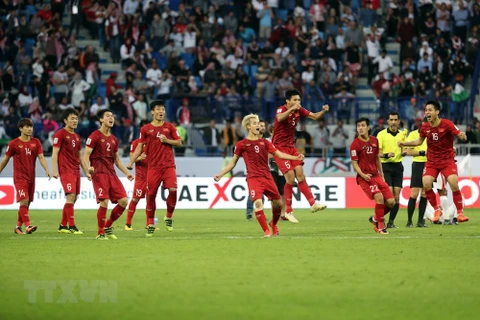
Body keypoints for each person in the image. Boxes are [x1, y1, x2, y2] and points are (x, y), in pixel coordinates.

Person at [214, 114, 304, 237]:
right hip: (253, 178)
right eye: (255, 123)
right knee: (257, 203)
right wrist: (220, 174)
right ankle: (267, 231)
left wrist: (295, 157)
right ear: (248, 126)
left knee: (278, 203)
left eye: (258, 123)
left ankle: (273, 224)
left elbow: (280, 154)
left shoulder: (265, 143)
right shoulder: (242, 144)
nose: (258, 125)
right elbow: (233, 162)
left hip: (267, 177)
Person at [399, 100, 469, 224]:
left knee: (454, 183)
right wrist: (404, 143)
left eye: (430, 110)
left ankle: (460, 213)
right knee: (426, 183)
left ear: (437, 112)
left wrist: (462, 136)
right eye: (426, 110)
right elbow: (418, 142)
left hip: (447, 160)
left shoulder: (447, 124)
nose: (427, 112)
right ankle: (437, 210)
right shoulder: (425, 127)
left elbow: (460, 134)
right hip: (432, 161)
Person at [272, 88, 329, 223]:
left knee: (300, 174)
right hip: (279, 148)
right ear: (288, 101)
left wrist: (324, 111)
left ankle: (313, 203)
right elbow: (280, 118)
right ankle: (288, 211)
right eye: (295, 100)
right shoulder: (281, 109)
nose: (298, 102)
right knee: (290, 178)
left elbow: (315, 116)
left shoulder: (299, 110)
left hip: (291, 147)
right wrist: (291, 110)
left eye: (299, 100)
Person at [128, 100, 182, 238]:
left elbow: (179, 142)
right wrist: (131, 162)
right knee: (151, 195)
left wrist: (167, 141)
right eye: (158, 109)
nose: (161, 112)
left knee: (173, 190)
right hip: (153, 167)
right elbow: (140, 146)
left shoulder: (170, 127)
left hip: (168, 165)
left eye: (163, 109)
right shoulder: (145, 129)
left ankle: (168, 216)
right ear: (152, 112)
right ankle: (150, 223)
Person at [84, 109, 134, 240]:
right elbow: (86, 155)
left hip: (112, 174)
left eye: (112, 116)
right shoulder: (94, 136)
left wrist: (127, 173)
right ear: (101, 120)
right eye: (107, 116)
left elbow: (117, 160)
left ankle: (108, 225)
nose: (111, 118)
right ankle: (100, 233)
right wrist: (87, 169)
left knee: (123, 201)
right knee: (104, 202)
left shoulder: (114, 139)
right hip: (99, 173)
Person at [0, 118, 51, 235]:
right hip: (19, 177)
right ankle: (28, 226)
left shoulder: (36, 142)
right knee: (24, 201)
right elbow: (5, 160)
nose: (29, 129)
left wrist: (47, 169)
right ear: (20, 129)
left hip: (31, 178)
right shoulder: (14, 144)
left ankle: (18, 227)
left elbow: (41, 157)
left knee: (27, 203)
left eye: (31, 126)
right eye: (27, 127)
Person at [350, 117, 395, 234]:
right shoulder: (355, 145)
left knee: (391, 202)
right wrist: (363, 175)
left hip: (377, 176)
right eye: (358, 126)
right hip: (365, 178)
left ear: (368, 127)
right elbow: (354, 164)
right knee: (379, 197)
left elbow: (377, 158)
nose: (360, 128)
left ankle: (375, 218)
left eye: (363, 125)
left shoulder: (374, 140)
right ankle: (381, 226)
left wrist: (382, 174)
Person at [51, 108, 91, 235]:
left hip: (76, 170)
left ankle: (63, 225)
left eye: (76, 118)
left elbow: (80, 156)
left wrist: (87, 172)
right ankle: (72, 226)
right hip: (66, 170)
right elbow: (55, 153)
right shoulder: (60, 134)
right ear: (65, 120)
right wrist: (54, 170)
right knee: (70, 196)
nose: (75, 121)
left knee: (74, 198)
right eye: (72, 118)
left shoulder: (77, 137)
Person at [376, 111, 407, 228]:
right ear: (388, 121)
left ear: (399, 121)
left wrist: (404, 152)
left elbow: (404, 150)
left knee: (397, 197)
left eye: (395, 120)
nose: (393, 122)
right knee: (388, 197)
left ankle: (391, 222)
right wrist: (386, 155)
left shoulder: (402, 135)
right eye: (391, 120)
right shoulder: (381, 134)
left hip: (398, 166)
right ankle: (379, 219)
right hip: (385, 167)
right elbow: (377, 153)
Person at [402, 117, 428, 228]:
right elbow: (407, 151)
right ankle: (409, 221)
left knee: (424, 193)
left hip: (430, 165)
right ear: (422, 124)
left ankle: (420, 221)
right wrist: (422, 153)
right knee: (414, 193)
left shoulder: (432, 135)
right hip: (418, 164)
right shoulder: (413, 135)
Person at [124, 138, 148, 231]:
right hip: (141, 177)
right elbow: (131, 158)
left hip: (152, 175)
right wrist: (140, 158)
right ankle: (128, 224)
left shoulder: (154, 142)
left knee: (150, 199)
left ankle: (149, 224)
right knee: (135, 199)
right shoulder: (135, 143)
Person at [246, 119, 266, 220]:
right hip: (254, 173)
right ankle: (249, 212)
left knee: (263, 195)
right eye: (259, 125)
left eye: (263, 126)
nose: (261, 127)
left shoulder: (266, 142)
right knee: (252, 195)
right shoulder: (250, 140)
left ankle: (261, 213)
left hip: (265, 172)